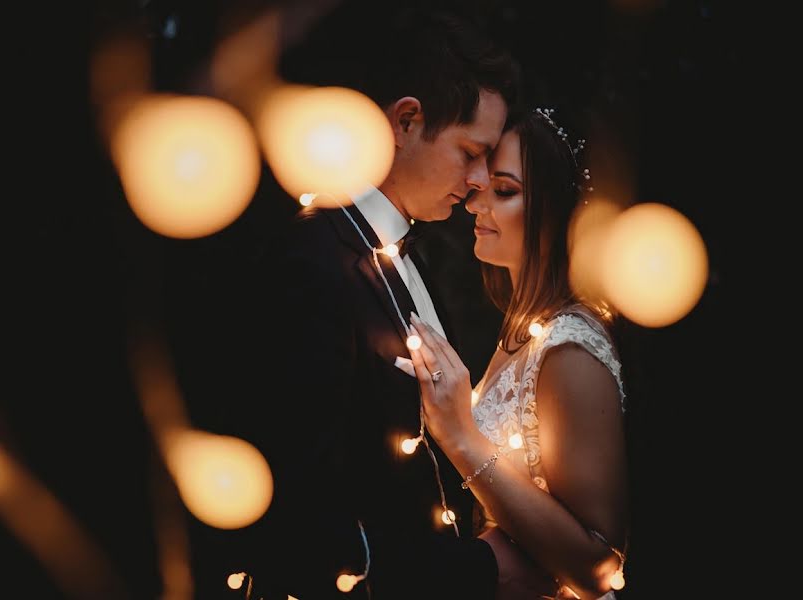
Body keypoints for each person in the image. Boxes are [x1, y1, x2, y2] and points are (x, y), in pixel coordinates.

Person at [231, 10, 521, 600]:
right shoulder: (313, 260)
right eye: (470, 152)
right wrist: (478, 574)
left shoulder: (411, 259)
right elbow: (303, 517)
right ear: (407, 120)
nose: (478, 179)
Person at [408, 107, 629, 599]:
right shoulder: (523, 334)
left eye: (504, 191)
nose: (475, 204)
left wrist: (463, 439)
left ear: (556, 209)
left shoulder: (570, 348)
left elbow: (598, 565)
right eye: (481, 187)